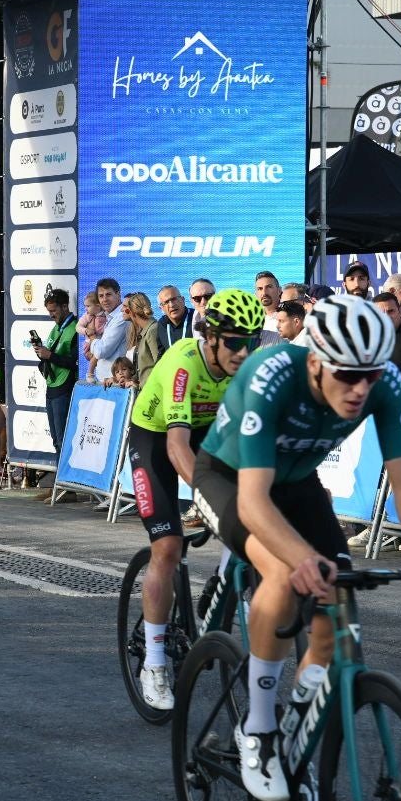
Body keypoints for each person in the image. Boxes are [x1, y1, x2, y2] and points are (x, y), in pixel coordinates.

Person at [191, 295, 401, 801]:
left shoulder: (384, 384)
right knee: (282, 573)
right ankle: (258, 731)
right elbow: (254, 501)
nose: (360, 389)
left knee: (336, 608)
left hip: (298, 482)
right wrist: (300, 558)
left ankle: (294, 737)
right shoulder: (269, 376)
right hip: (230, 478)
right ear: (315, 362)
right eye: (347, 376)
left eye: (369, 376)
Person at [125, 289, 264, 710]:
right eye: (236, 342)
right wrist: (212, 499)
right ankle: (154, 663)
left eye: (252, 341)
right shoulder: (184, 364)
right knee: (167, 548)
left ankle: (218, 590)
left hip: (206, 433)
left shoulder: (244, 368)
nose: (244, 351)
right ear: (212, 337)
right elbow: (176, 448)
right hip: (156, 439)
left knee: (251, 511)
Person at [31, 287, 80, 480]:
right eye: (49, 311)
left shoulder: (75, 328)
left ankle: (66, 485)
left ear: (65, 306)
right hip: (52, 386)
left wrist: (49, 355)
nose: (51, 315)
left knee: (63, 440)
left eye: (54, 311)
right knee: (56, 440)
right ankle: (60, 484)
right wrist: (41, 353)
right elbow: (50, 355)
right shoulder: (56, 328)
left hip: (65, 387)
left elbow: (75, 363)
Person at [84, 278, 126, 376]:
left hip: (116, 380)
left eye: (108, 294)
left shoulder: (122, 317)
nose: (104, 299)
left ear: (118, 294)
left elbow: (101, 351)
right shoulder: (108, 316)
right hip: (108, 380)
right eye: (101, 296)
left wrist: (91, 336)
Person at [123, 292, 160, 387]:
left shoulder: (152, 330)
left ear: (130, 312)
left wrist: (139, 385)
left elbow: (160, 365)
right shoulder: (146, 331)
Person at [155, 285, 195, 351]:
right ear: (161, 308)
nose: (172, 305)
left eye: (174, 299)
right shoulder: (162, 324)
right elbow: (161, 354)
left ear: (183, 300)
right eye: (166, 302)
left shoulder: (197, 318)